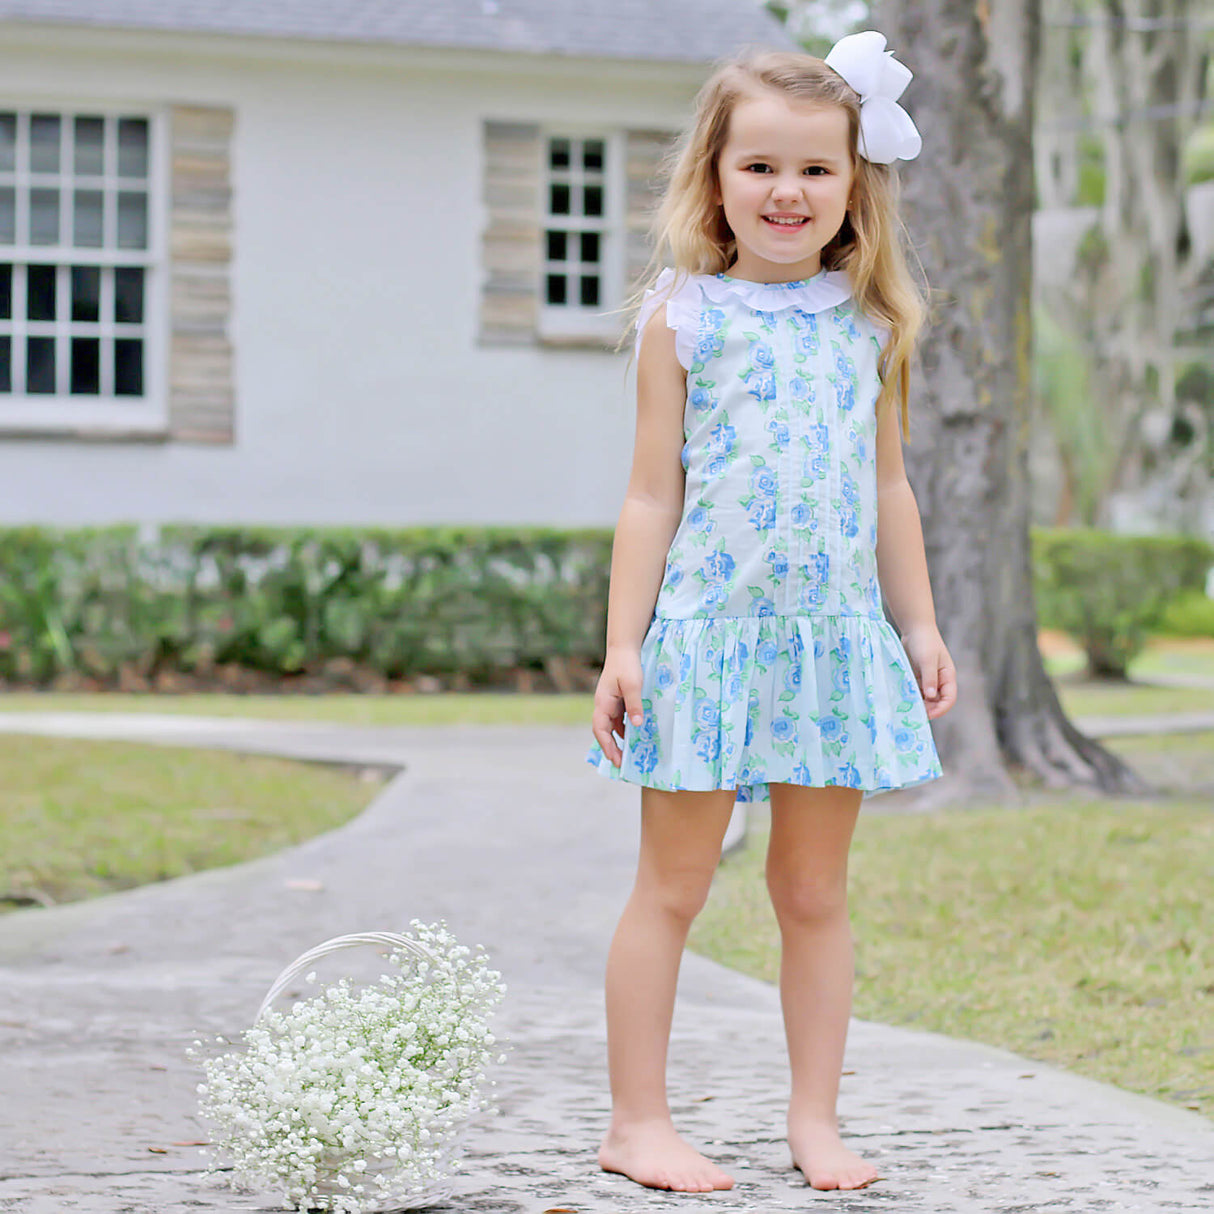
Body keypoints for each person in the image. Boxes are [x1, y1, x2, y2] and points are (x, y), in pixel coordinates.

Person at [586, 31, 958, 1195]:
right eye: (758, 167)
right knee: (674, 886)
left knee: (810, 890)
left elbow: (887, 485)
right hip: (704, 635)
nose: (785, 192)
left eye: (812, 169)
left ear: (853, 186)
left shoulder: (868, 323)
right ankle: (635, 1120)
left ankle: (813, 1117)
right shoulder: (682, 315)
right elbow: (652, 492)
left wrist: (919, 625)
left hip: (832, 643)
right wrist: (624, 645)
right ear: (714, 178)